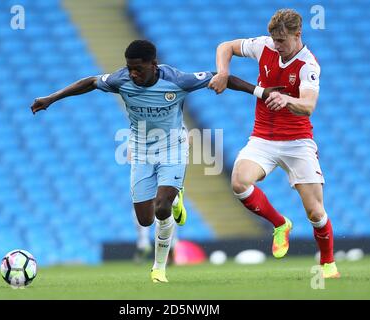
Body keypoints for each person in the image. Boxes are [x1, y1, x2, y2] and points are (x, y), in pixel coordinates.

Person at [31, 40, 280, 283]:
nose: (133, 73)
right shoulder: (122, 80)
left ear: (154, 64)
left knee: (161, 207)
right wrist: (51, 98)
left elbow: (223, 77)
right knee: (145, 219)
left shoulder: (177, 80)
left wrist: (260, 91)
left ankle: (159, 268)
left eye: (138, 68)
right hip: (141, 152)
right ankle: (174, 200)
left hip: (173, 148)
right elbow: (89, 82)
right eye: (130, 67)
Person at [208, 9, 340, 278]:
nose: (276, 46)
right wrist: (223, 72)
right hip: (263, 139)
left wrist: (288, 100)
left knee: (315, 212)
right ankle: (280, 224)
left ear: (297, 35)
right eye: (274, 40)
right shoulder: (264, 45)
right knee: (239, 182)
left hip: (298, 142)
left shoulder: (308, 65)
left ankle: (327, 263)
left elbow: (309, 105)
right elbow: (226, 46)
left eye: (282, 41)